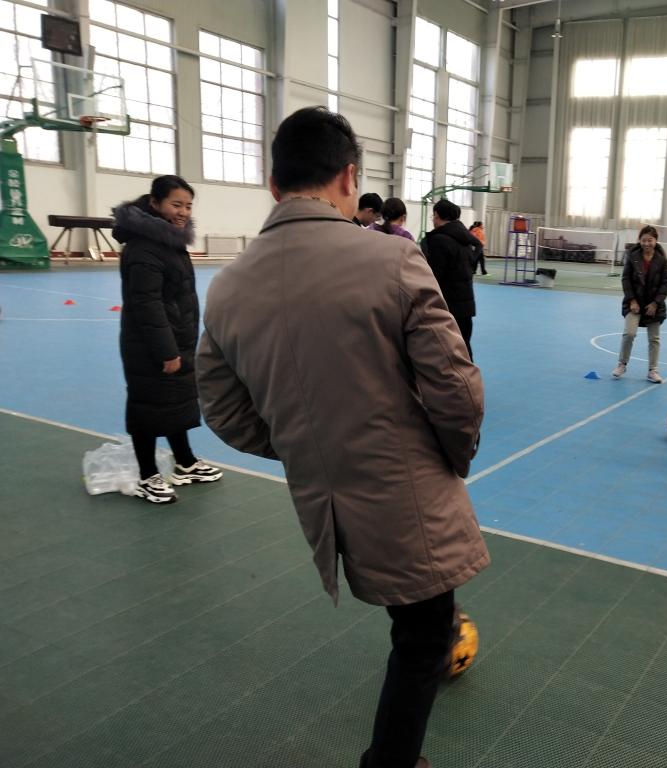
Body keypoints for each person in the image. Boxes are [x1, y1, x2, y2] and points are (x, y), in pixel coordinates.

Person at [195, 107, 488, 768]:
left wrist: (305, 444)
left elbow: (222, 407)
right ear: (350, 177)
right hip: (406, 490)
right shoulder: (392, 258)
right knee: (424, 636)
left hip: (323, 496)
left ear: (274, 184)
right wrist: (452, 456)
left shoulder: (228, 286)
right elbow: (456, 387)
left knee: (416, 620)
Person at [113, 175, 222, 505]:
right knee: (147, 407)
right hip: (150, 346)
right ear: (155, 203)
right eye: (176, 204)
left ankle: (185, 462)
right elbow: (147, 304)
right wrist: (166, 351)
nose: (184, 212)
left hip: (176, 339)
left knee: (176, 400)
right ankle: (147, 476)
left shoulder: (169, 242)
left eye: (188, 206)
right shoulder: (143, 248)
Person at [611, 225, 667, 384]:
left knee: (654, 339)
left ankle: (653, 370)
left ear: (655, 240)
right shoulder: (633, 256)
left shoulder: (662, 259)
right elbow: (626, 279)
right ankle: (622, 364)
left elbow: (666, 283)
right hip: (634, 303)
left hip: (654, 305)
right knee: (629, 333)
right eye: (643, 240)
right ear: (639, 240)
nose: (646, 243)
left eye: (650, 240)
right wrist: (632, 300)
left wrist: (655, 303)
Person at [420, 199, 480, 360]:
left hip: (447, 304)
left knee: (444, 349)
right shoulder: (465, 239)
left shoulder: (439, 240)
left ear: (437, 215)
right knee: (464, 347)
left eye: (433, 216)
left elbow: (434, 275)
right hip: (466, 305)